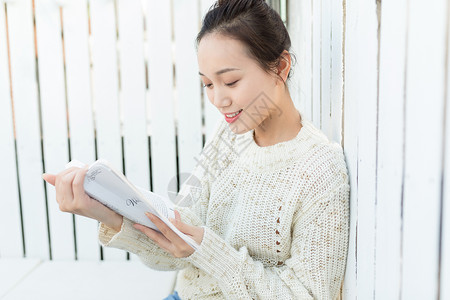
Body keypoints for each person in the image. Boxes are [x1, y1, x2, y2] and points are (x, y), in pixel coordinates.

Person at [43, 0, 350, 299]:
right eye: (208, 84)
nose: (218, 100)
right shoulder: (229, 136)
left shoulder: (320, 170)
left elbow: (308, 295)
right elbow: (181, 242)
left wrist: (209, 252)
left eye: (230, 81)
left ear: (281, 67)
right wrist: (107, 213)